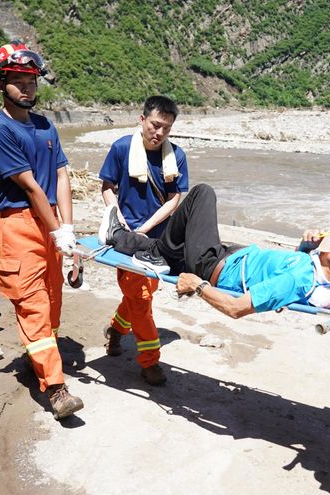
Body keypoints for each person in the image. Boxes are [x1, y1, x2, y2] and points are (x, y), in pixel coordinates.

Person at [0, 41, 83, 420]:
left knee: (53, 299)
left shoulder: (45, 125)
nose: (26, 87)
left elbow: (60, 175)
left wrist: (66, 227)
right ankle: (56, 389)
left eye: (31, 80)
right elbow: (30, 187)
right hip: (19, 225)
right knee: (33, 304)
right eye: (18, 80)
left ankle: (38, 356)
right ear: (1, 83)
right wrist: (58, 232)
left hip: (51, 220)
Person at [98, 184, 330, 319]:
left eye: (329, 236)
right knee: (165, 248)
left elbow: (235, 308)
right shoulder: (310, 267)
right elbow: (278, 269)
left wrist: (197, 286)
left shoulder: (299, 278)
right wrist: (306, 248)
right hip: (225, 256)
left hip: (210, 266)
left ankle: (149, 249)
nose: (325, 234)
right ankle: (120, 237)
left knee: (202, 193)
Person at [97, 95, 189, 386]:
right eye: (155, 125)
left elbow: (175, 198)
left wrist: (146, 228)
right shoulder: (122, 148)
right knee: (141, 297)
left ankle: (115, 331)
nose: (159, 133)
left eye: (166, 128)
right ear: (142, 120)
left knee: (140, 294)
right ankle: (150, 361)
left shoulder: (177, 155)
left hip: (157, 239)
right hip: (124, 238)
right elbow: (107, 186)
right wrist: (118, 216)